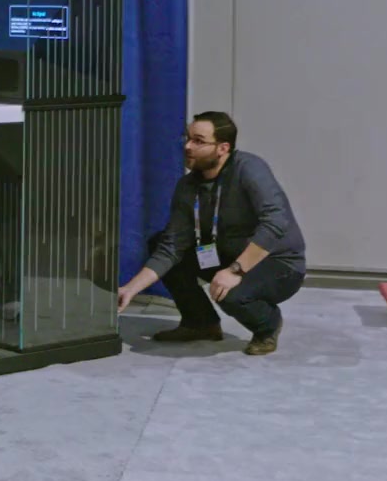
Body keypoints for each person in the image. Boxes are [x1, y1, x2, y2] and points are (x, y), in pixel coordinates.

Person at [117, 111, 306, 355]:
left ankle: (267, 325)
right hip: (225, 254)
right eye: (187, 138)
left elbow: (275, 222)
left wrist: (235, 271)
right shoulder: (188, 186)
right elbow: (171, 246)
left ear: (222, 148)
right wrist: (131, 289)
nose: (188, 146)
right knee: (160, 242)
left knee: (231, 295)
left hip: (277, 262)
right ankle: (201, 323)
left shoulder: (249, 169)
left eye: (198, 141)